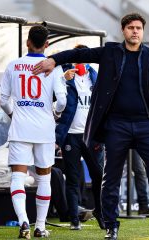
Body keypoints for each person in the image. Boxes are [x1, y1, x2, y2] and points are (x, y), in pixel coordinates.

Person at [33, 13, 149, 240]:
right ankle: (111, 225)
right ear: (123, 30)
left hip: (146, 124)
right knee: (110, 176)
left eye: (138, 28)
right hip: (116, 125)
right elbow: (80, 53)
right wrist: (54, 60)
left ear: (143, 31)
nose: (135, 31)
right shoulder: (111, 52)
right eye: (130, 27)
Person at [0, 25, 67, 239]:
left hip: (21, 128)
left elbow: (3, 101)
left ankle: (23, 222)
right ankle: (40, 226)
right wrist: (54, 113)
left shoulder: (13, 65)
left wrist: (14, 114)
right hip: (45, 129)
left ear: (28, 42)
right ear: (47, 44)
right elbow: (63, 101)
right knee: (44, 179)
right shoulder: (54, 68)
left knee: (17, 177)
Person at [56, 45, 105, 230]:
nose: (80, 63)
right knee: (73, 177)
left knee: (99, 176)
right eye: (78, 59)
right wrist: (62, 80)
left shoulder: (96, 75)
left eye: (84, 59)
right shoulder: (64, 75)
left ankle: (101, 212)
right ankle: (74, 219)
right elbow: (55, 99)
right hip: (71, 135)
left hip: (92, 135)